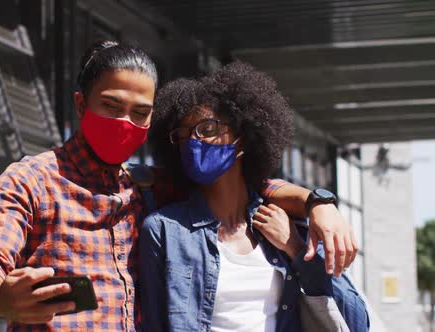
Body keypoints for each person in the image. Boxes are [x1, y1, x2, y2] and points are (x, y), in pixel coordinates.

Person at [0, 40, 357, 331]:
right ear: (81, 105)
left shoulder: (148, 188)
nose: (125, 123)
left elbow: (247, 185)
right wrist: (0, 296)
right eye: (112, 107)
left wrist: (318, 203)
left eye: (140, 113)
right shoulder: (32, 180)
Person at [139, 62, 369, 332]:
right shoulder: (164, 230)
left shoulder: (291, 223)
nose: (194, 142)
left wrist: (295, 250)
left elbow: (354, 321)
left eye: (207, 129)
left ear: (243, 137)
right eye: (183, 135)